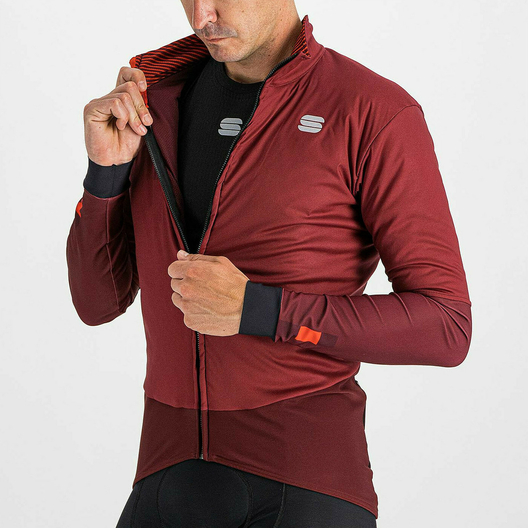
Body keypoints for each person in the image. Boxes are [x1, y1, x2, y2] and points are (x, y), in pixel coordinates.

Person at [66, 1, 473, 526]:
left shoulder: (370, 110)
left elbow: (446, 326)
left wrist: (259, 310)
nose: (201, 16)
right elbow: (96, 303)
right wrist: (104, 175)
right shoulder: (153, 106)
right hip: (166, 476)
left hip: (308, 482)